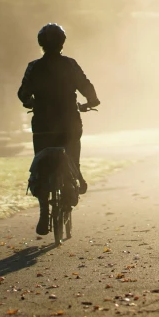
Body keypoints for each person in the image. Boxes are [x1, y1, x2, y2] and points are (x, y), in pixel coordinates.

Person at [18, 23, 100, 234]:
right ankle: (77, 177)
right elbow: (86, 86)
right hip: (69, 122)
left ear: (41, 44)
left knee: (40, 163)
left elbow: (23, 93)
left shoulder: (33, 67)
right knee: (72, 153)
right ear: (62, 43)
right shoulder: (70, 65)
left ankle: (44, 207)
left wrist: (31, 103)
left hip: (43, 125)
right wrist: (91, 101)